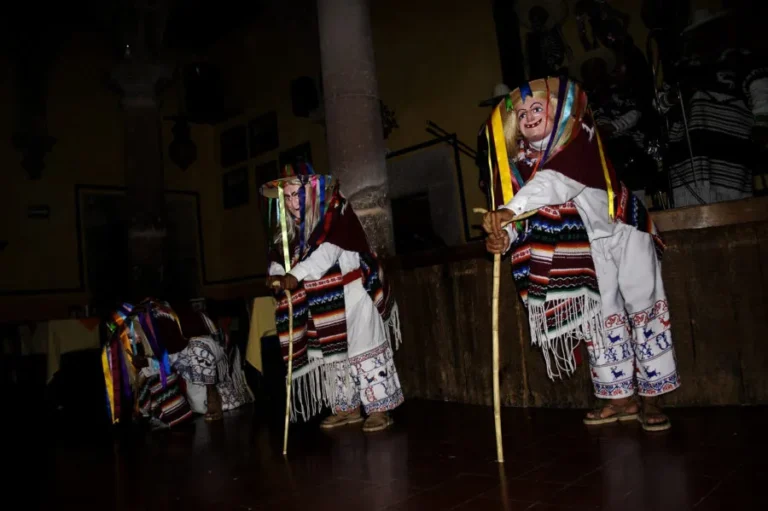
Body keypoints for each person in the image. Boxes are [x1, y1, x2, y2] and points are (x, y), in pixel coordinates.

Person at [480, 77, 680, 431]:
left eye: (536, 108)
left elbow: (555, 183)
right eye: (521, 113)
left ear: (558, 111)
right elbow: (523, 211)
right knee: (599, 316)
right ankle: (619, 396)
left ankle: (653, 395)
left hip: (624, 229)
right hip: (586, 244)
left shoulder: (578, 136)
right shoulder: (520, 163)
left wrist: (509, 212)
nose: (527, 117)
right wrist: (503, 234)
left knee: (643, 305)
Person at [262, 163, 403, 433]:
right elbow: (279, 255)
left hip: (355, 290)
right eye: (287, 196)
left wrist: (295, 275)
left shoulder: (335, 209)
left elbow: (327, 252)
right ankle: (347, 408)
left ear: (311, 189)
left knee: (363, 348)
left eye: (296, 194)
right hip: (322, 299)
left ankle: (378, 408)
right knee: (334, 354)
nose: (292, 202)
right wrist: (277, 274)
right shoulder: (289, 226)